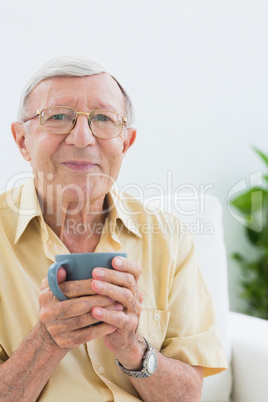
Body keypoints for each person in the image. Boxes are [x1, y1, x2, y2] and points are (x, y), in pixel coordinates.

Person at [0, 55, 227, 402]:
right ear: (21, 140)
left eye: (103, 119)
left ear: (126, 142)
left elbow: (187, 396)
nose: (81, 137)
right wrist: (47, 340)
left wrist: (132, 346)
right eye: (58, 116)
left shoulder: (169, 237)